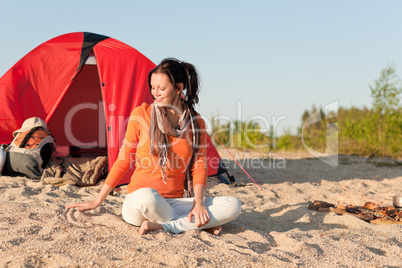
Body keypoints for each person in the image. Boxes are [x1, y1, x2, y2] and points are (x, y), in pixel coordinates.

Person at [66, 58, 241, 235]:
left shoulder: (197, 123)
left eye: (162, 88)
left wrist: (199, 203)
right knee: (148, 196)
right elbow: (123, 160)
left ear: (179, 88)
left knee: (233, 205)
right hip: (139, 203)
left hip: (174, 201)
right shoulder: (141, 115)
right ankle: (195, 223)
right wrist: (98, 200)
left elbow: (199, 167)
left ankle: (169, 224)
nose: (155, 93)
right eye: (152, 87)